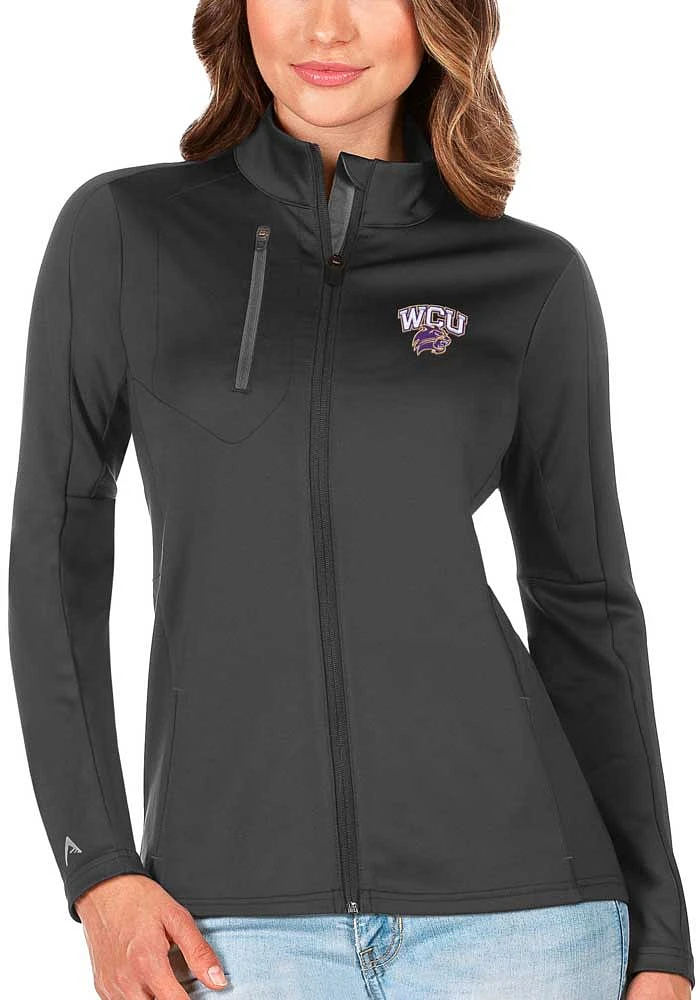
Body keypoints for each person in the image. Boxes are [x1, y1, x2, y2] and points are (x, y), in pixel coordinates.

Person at [7, 0, 694, 997]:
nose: (325, 27)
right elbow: (51, 558)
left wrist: (662, 941)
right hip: (228, 927)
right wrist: (98, 870)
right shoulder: (124, 230)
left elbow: (586, 610)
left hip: (526, 926)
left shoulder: (528, 277)